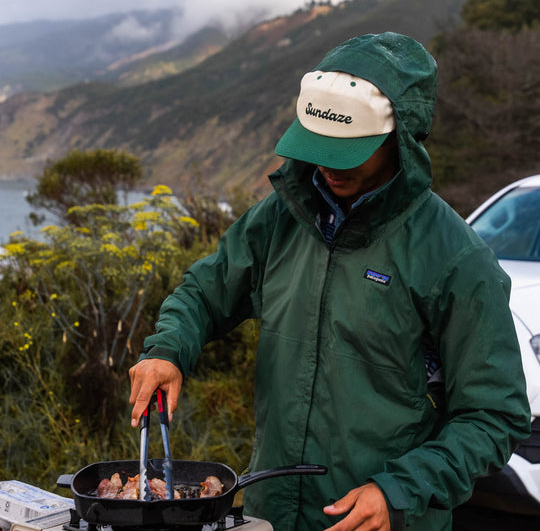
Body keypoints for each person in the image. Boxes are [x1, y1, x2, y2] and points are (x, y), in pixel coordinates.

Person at [129, 32, 531, 531]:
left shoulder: (455, 259)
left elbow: (494, 417)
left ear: (399, 138)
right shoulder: (281, 218)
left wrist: (398, 491)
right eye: (318, 144)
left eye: (348, 149)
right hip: (271, 513)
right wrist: (167, 350)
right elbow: (204, 292)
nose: (327, 163)